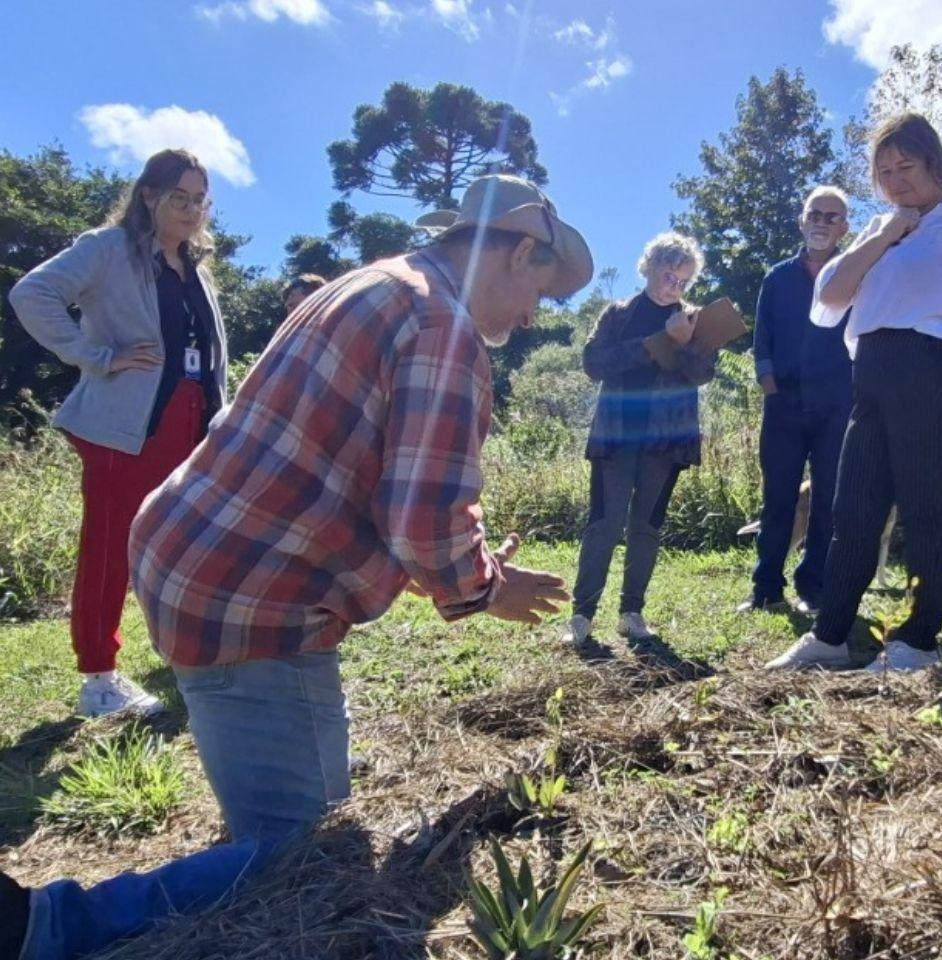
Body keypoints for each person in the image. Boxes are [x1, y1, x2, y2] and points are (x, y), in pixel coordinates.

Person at [0, 173, 591, 960]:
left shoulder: (371, 283)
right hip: (255, 600)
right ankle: (54, 924)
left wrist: (456, 565)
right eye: (540, 295)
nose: (528, 320)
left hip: (194, 557)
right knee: (305, 850)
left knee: (287, 817)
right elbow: (421, 518)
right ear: (519, 252)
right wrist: (485, 587)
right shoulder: (443, 327)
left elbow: (361, 481)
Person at [764, 113, 942, 674]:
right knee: (853, 509)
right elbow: (827, 302)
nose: (894, 180)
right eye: (883, 171)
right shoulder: (877, 229)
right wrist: (885, 234)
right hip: (872, 374)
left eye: (905, 166)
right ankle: (831, 634)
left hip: (938, 367)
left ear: (933, 161)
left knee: (923, 507)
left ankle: (917, 639)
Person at [9, 148, 228, 718]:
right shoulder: (109, 250)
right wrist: (95, 355)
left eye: (200, 200)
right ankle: (99, 679)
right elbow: (31, 294)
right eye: (179, 197)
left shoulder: (197, 269)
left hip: (193, 425)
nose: (191, 210)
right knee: (111, 549)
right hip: (125, 427)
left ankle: (188, 649)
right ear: (149, 196)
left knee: (184, 543)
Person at [560, 233, 718, 647]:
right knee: (603, 526)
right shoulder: (618, 315)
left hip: (666, 444)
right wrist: (653, 346)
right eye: (668, 275)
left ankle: (631, 613)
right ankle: (582, 615)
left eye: (683, 281)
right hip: (616, 437)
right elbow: (594, 363)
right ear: (648, 268)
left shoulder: (694, 322)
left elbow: (702, 374)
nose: (674, 286)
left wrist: (682, 345)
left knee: (647, 528)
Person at [737, 186, 854, 615]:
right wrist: (768, 384)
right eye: (815, 214)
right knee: (779, 498)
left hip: (836, 406)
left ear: (844, 228)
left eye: (831, 217)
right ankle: (766, 587)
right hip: (783, 405)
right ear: (801, 220)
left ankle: (814, 586)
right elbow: (761, 335)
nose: (821, 223)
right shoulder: (777, 277)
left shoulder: (854, 275)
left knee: (828, 499)